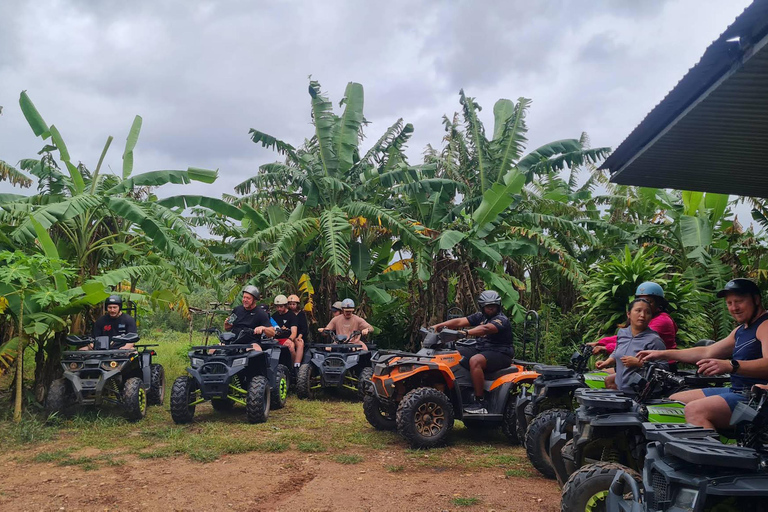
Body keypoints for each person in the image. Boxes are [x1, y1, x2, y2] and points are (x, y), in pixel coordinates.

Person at [638, 278, 768, 429]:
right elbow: (707, 351)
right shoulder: (741, 330)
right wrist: (662, 354)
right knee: (674, 401)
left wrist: (731, 365)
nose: (734, 308)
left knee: (695, 411)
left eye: (739, 301)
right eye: (729, 303)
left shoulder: (764, 325)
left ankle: (713, 444)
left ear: (756, 300)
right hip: (737, 390)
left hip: (757, 396)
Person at [430, 290, 513, 414]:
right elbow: (459, 321)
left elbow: (486, 329)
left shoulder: (501, 319)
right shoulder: (481, 317)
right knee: (450, 353)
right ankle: (458, 388)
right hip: (482, 348)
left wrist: (466, 332)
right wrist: (438, 326)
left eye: (493, 306)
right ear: (482, 307)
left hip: (501, 353)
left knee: (475, 361)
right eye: (488, 306)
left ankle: (480, 401)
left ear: (498, 306)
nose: (491, 309)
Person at [594, 298, 666, 391]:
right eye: (638, 310)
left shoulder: (654, 340)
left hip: (641, 394)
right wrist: (607, 362)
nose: (642, 315)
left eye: (647, 312)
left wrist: (640, 363)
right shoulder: (622, 333)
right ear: (628, 314)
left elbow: (664, 369)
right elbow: (617, 350)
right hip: (620, 390)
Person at [590, 282, 678, 355]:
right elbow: (626, 337)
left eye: (648, 301)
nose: (644, 304)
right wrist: (600, 343)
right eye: (641, 301)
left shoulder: (662, 320)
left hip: (660, 366)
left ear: (658, 303)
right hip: (643, 362)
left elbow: (637, 342)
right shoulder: (648, 319)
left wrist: (605, 348)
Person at [224, 285, 274, 351]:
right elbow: (227, 328)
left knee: (255, 351)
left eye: (248, 298)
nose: (245, 300)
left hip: (251, 343)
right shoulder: (237, 310)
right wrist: (227, 324)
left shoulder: (261, 313)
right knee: (213, 349)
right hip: (234, 341)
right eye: (244, 297)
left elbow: (272, 333)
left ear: (254, 300)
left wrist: (263, 328)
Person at [272, 294, 299, 365]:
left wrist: (289, 340)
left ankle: (293, 366)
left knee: (291, 347)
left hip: (287, 338)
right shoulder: (274, 316)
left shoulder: (292, 316)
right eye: (277, 307)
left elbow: (294, 332)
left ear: (285, 306)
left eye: (281, 306)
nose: (279, 309)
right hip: (276, 339)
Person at [287, 294, 307, 369]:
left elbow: (304, 328)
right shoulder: (287, 314)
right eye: (290, 304)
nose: (292, 306)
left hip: (298, 335)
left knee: (300, 343)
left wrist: (299, 336)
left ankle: (297, 364)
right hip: (288, 336)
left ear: (297, 304)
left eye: (293, 304)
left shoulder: (301, 314)